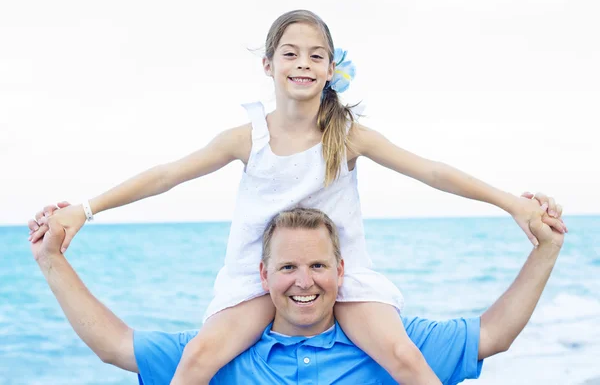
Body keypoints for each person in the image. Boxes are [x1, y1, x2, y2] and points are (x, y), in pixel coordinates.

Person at [28, 9, 567, 384]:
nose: (303, 63)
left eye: (316, 55)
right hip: (257, 273)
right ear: (269, 65)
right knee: (197, 360)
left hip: (340, 274)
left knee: (403, 354)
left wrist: (512, 204)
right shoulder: (248, 137)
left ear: (332, 68)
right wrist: (88, 207)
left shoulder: (347, 135)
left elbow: (431, 171)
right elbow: (168, 175)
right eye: (290, 54)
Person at [29, 200, 565, 384]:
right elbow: (115, 345)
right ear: (262, 277)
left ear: (342, 270)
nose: (303, 281)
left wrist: (544, 250)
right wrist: (51, 259)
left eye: (317, 265)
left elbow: (493, 333)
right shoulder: (223, 354)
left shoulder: (390, 345)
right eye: (287, 266)